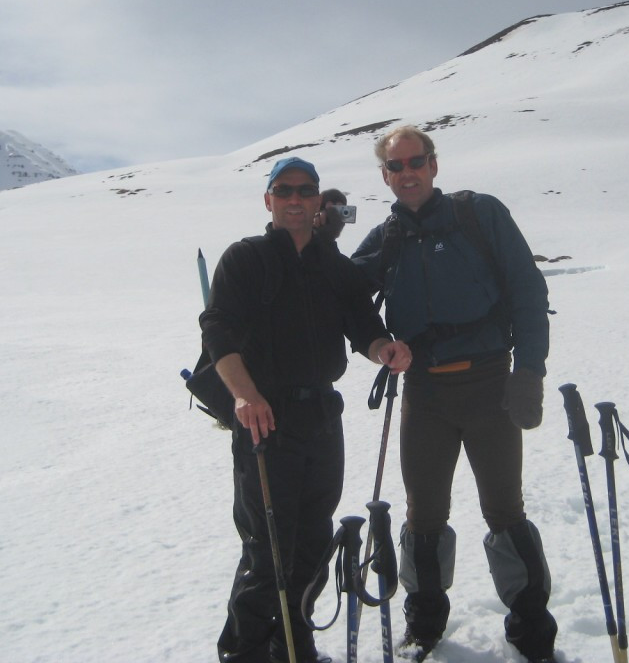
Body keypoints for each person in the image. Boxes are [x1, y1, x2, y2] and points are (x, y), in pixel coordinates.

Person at [351, 126, 557, 663]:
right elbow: (341, 296)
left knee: (504, 509)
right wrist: (377, 343)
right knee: (423, 513)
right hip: (425, 394)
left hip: (491, 386)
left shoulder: (479, 215)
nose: (407, 172)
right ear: (385, 176)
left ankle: (532, 630)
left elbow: (529, 290)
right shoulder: (386, 238)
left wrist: (529, 371)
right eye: (396, 166)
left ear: (434, 165)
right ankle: (423, 623)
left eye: (416, 161)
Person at [200, 157, 412, 663]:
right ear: (268, 200)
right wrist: (246, 396)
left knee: (315, 542)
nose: (296, 199)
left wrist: (383, 349)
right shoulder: (244, 259)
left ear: (318, 200)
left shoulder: (332, 265)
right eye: (285, 190)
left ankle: (292, 644)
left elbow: (363, 323)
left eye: (306, 190)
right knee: (267, 550)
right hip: (264, 419)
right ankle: (244, 652)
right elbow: (217, 331)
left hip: (321, 419)